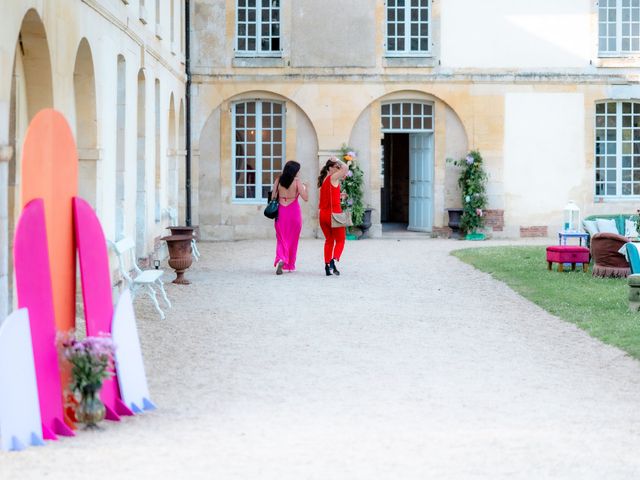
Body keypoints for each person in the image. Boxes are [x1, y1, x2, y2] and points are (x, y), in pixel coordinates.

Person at [272, 160, 309, 275]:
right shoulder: (297, 182)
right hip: (294, 213)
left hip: (281, 212)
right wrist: (306, 187)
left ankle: (282, 258)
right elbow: (305, 198)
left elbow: (273, 196)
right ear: (294, 171)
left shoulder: (278, 180)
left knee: (281, 238)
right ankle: (290, 264)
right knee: (293, 240)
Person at [317, 156, 349, 276]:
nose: (339, 168)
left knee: (329, 240)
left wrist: (339, 195)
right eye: (337, 167)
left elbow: (328, 196)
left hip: (323, 215)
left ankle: (327, 266)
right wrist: (338, 160)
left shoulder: (325, 179)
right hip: (334, 215)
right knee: (341, 240)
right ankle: (333, 260)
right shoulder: (333, 177)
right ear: (330, 168)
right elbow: (346, 168)